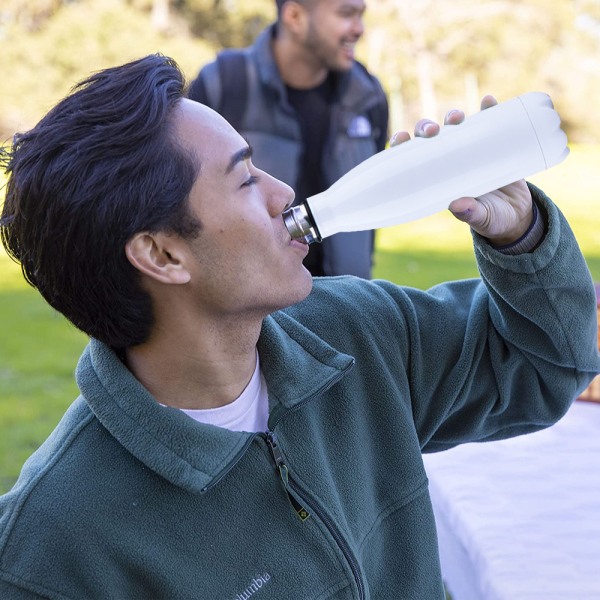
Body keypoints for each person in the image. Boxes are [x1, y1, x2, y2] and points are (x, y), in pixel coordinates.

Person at [0, 54, 598, 600]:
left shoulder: (355, 331)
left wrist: (519, 237)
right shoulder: (52, 549)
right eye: (244, 178)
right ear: (162, 256)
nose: (284, 192)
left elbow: (546, 365)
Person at [187, 0, 389, 279]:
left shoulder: (368, 95)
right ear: (294, 16)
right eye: (346, 14)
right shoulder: (224, 84)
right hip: (256, 310)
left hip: (348, 304)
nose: (359, 29)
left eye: (361, 15)